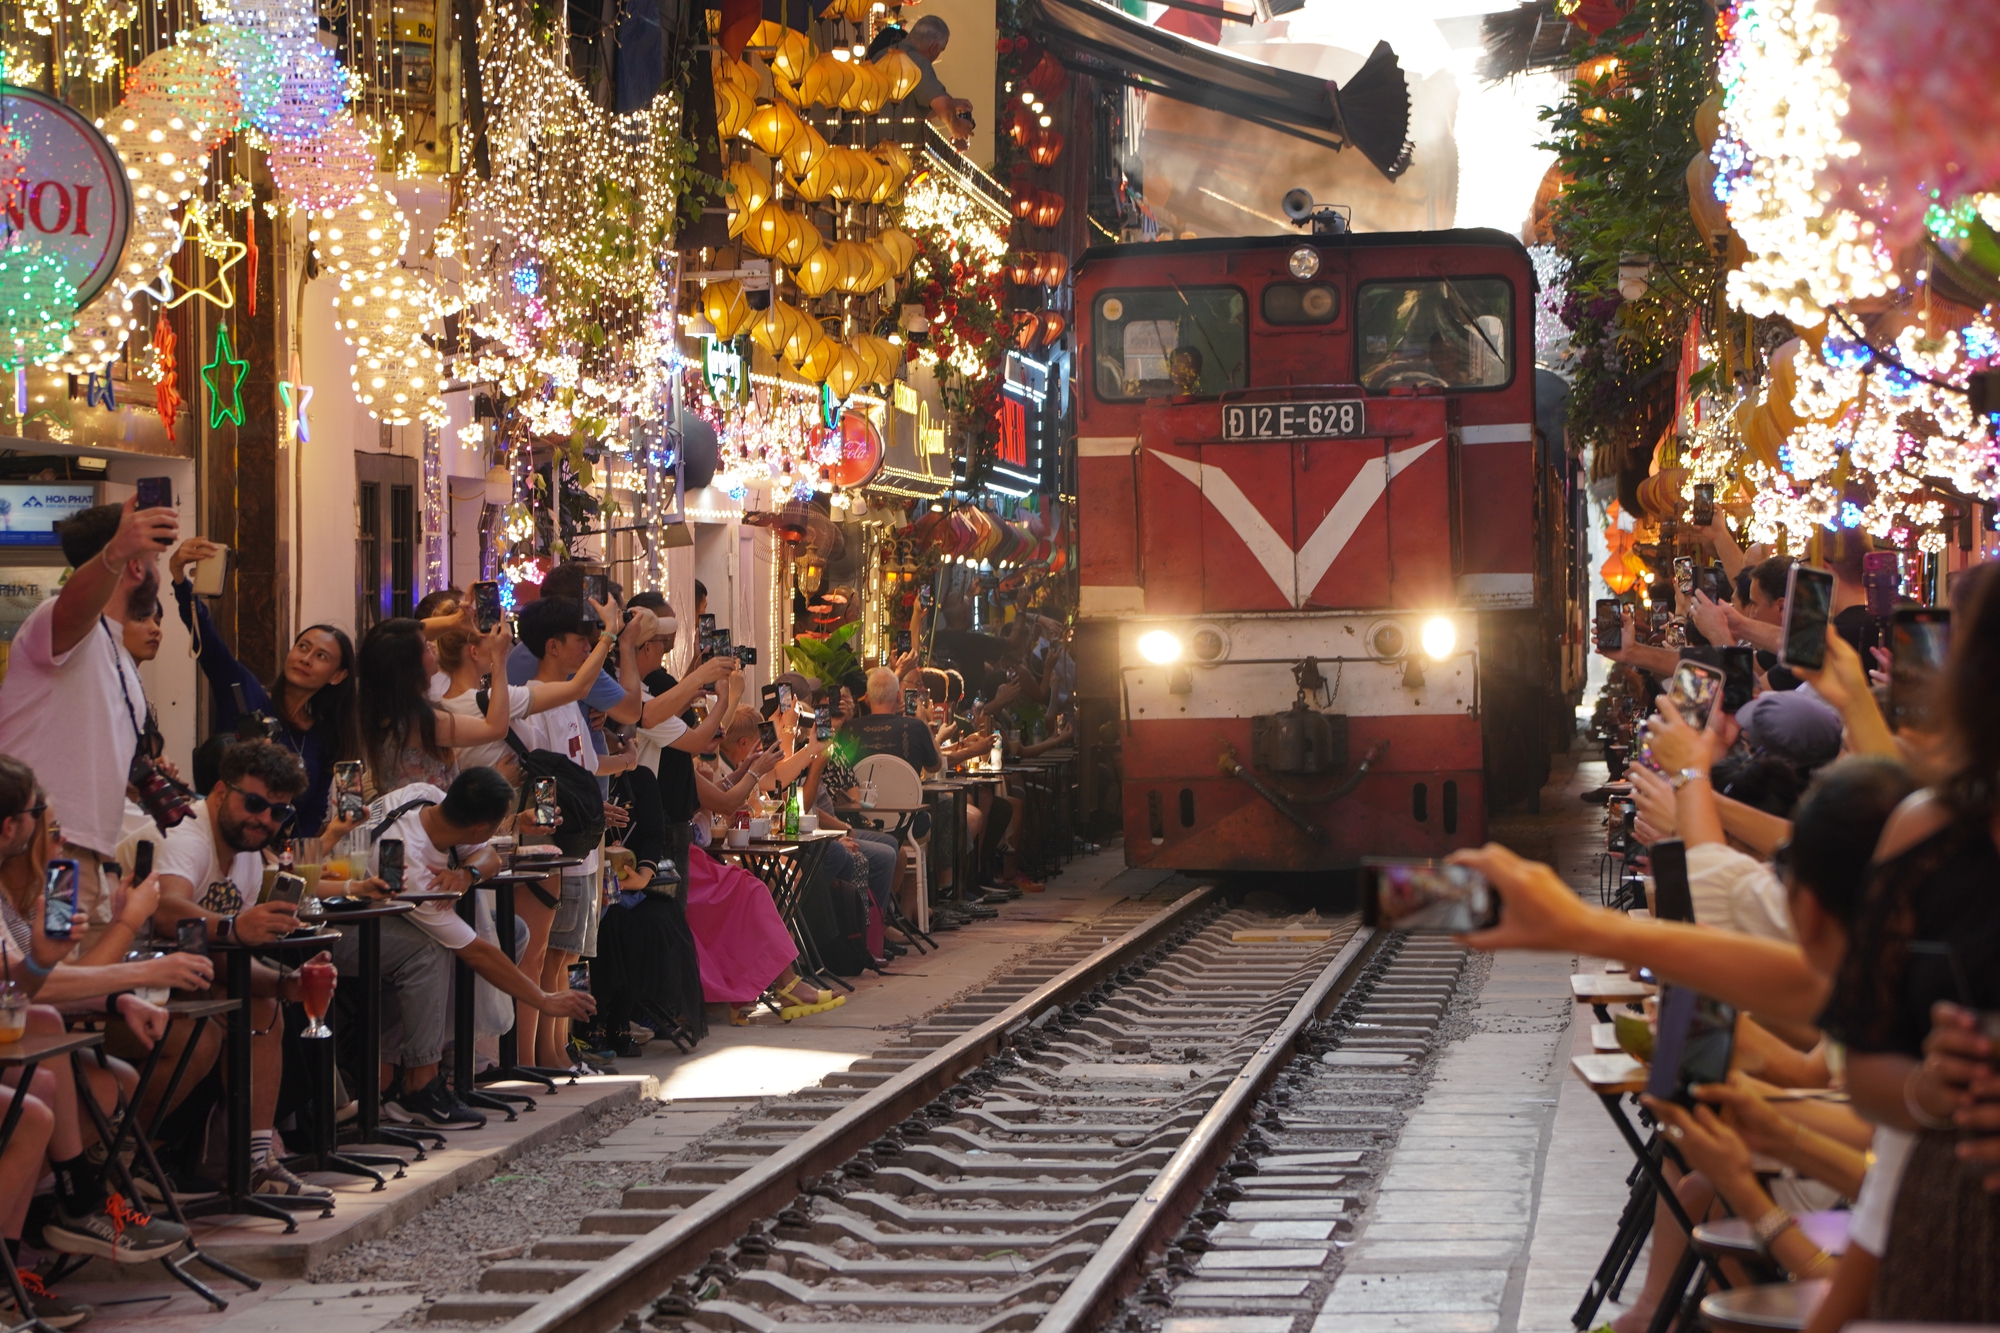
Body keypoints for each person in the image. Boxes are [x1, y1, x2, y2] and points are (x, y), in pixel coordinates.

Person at [332, 767, 599, 1127]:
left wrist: (466, 874)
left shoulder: (424, 794)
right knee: (433, 952)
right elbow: (475, 951)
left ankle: (444, 1058)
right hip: (340, 927)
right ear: (479, 827)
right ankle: (419, 1085)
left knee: (512, 932)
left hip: (384, 916)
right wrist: (543, 1000)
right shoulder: (408, 862)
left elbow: (488, 857)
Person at [147, 740, 332, 1205]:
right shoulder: (188, 831)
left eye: (278, 814)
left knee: (264, 1003)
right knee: (200, 1035)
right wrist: (233, 925)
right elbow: (164, 911)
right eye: (253, 803)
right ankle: (122, 1158)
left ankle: (255, 1163)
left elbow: (229, 953)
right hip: (129, 974)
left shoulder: (248, 856)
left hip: (184, 975)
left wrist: (286, 983)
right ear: (218, 792)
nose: (263, 820)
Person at [0, 499, 177, 939]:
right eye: (153, 560)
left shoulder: (118, 651)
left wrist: (138, 778)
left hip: (85, 853)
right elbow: (77, 606)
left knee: (79, 988)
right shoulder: (58, 621)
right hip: (36, 847)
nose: (157, 573)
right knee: (39, 985)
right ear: (135, 569)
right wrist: (116, 553)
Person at [510, 596, 642, 1071]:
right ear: (552, 646)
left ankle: (557, 1049)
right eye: (580, 640)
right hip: (552, 847)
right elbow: (538, 776)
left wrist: (596, 801)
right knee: (540, 954)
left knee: (564, 954)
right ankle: (532, 1057)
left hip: (579, 844)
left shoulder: (568, 701)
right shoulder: (535, 701)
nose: (587, 647)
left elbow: (580, 768)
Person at [169, 538, 357, 835]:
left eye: (321, 656)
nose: (305, 659)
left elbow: (310, 817)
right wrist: (180, 578)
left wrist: (300, 862)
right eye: (302, 647)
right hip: (224, 837)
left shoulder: (325, 735)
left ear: (337, 676)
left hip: (283, 857)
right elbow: (206, 639)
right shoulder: (245, 694)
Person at [354, 617, 515, 791]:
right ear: (410, 665)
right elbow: (495, 728)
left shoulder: (384, 708)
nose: (432, 646)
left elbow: (403, 637)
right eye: (425, 646)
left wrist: (457, 621)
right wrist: (498, 658)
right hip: (423, 814)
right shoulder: (416, 720)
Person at [882, 14, 974, 145]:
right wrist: (957, 126)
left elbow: (908, 114)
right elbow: (943, 104)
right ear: (933, 48)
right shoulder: (917, 63)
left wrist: (953, 104)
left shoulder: (883, 54)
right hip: (885, 153)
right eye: (940, 51)